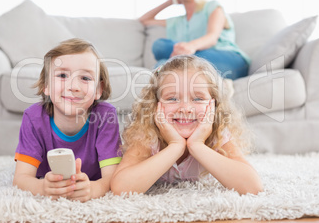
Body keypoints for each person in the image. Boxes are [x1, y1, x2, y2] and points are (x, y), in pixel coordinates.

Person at [110, 55, 263, 195]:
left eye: (197, 99)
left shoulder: (218, 132)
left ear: (214, 105)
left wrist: (197, 145)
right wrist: (175, 146)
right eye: (172, 99)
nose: (185, 108)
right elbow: (121, 188)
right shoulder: (148, 133)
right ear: (155, 105)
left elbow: (253, 187)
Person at [13, 38, 122, 202]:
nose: (73, 86)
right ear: (46, 86)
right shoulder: (33, 118)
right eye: (63, 75)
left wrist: (93, 189)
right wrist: (42, 187)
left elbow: (113, 178)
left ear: (99, 90)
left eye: (85, 78)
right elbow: (20, 179)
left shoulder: (106, 117)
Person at [139, 0, 250, 80]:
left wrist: (190, 46)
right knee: (159, 47)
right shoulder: (177, 21)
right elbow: (144, 20)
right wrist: (171, 1)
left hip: (227, 59)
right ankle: (178, 66)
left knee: (166, 60)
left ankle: (178, 63)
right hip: (194, 63)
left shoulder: (212, 7)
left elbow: (212, 37)